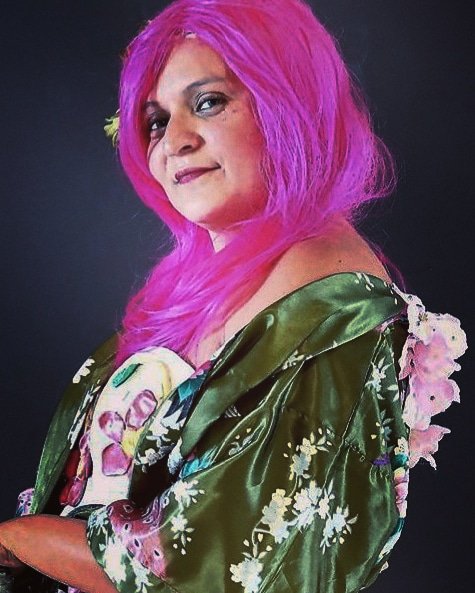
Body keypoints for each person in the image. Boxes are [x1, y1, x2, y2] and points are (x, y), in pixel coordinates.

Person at [0, 0, 467, 592]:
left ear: (288, 103)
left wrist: (18, 539)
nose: (175, 141)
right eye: (155, 121)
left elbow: (211, 564)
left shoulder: (333, 309)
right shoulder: (213, 284)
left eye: (208, 102)